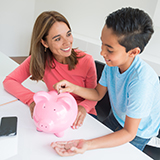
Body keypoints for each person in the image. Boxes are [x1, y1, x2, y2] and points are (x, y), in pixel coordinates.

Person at [51, 7, 160, 156]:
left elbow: (129, 132)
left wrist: (88, 145)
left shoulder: (142, 83)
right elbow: (97, 94)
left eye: (109, 49)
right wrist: (73, 88)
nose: (102, 52)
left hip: (138, 131)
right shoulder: (113, 63)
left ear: (133, 52)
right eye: (102, 43)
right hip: (117, 116)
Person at [3, 11, 97, 129]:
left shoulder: (86, 61)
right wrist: (32, 100)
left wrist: (83, 107)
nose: (67, 42)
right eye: (58, 39)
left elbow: (94, 96)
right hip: (54, 114)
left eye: (68, 34)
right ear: (44, 42)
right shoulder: (39, 59)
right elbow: (9, 81)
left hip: (83, 116)